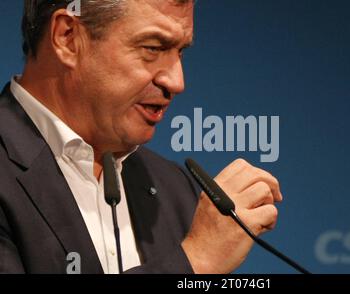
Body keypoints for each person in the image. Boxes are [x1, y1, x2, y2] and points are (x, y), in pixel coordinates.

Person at [0, 0, 282, 274]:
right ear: (68, 37)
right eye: (153, 48)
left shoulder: (176, 190)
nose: (177, 82)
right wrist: (195, 262)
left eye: (180, 52)